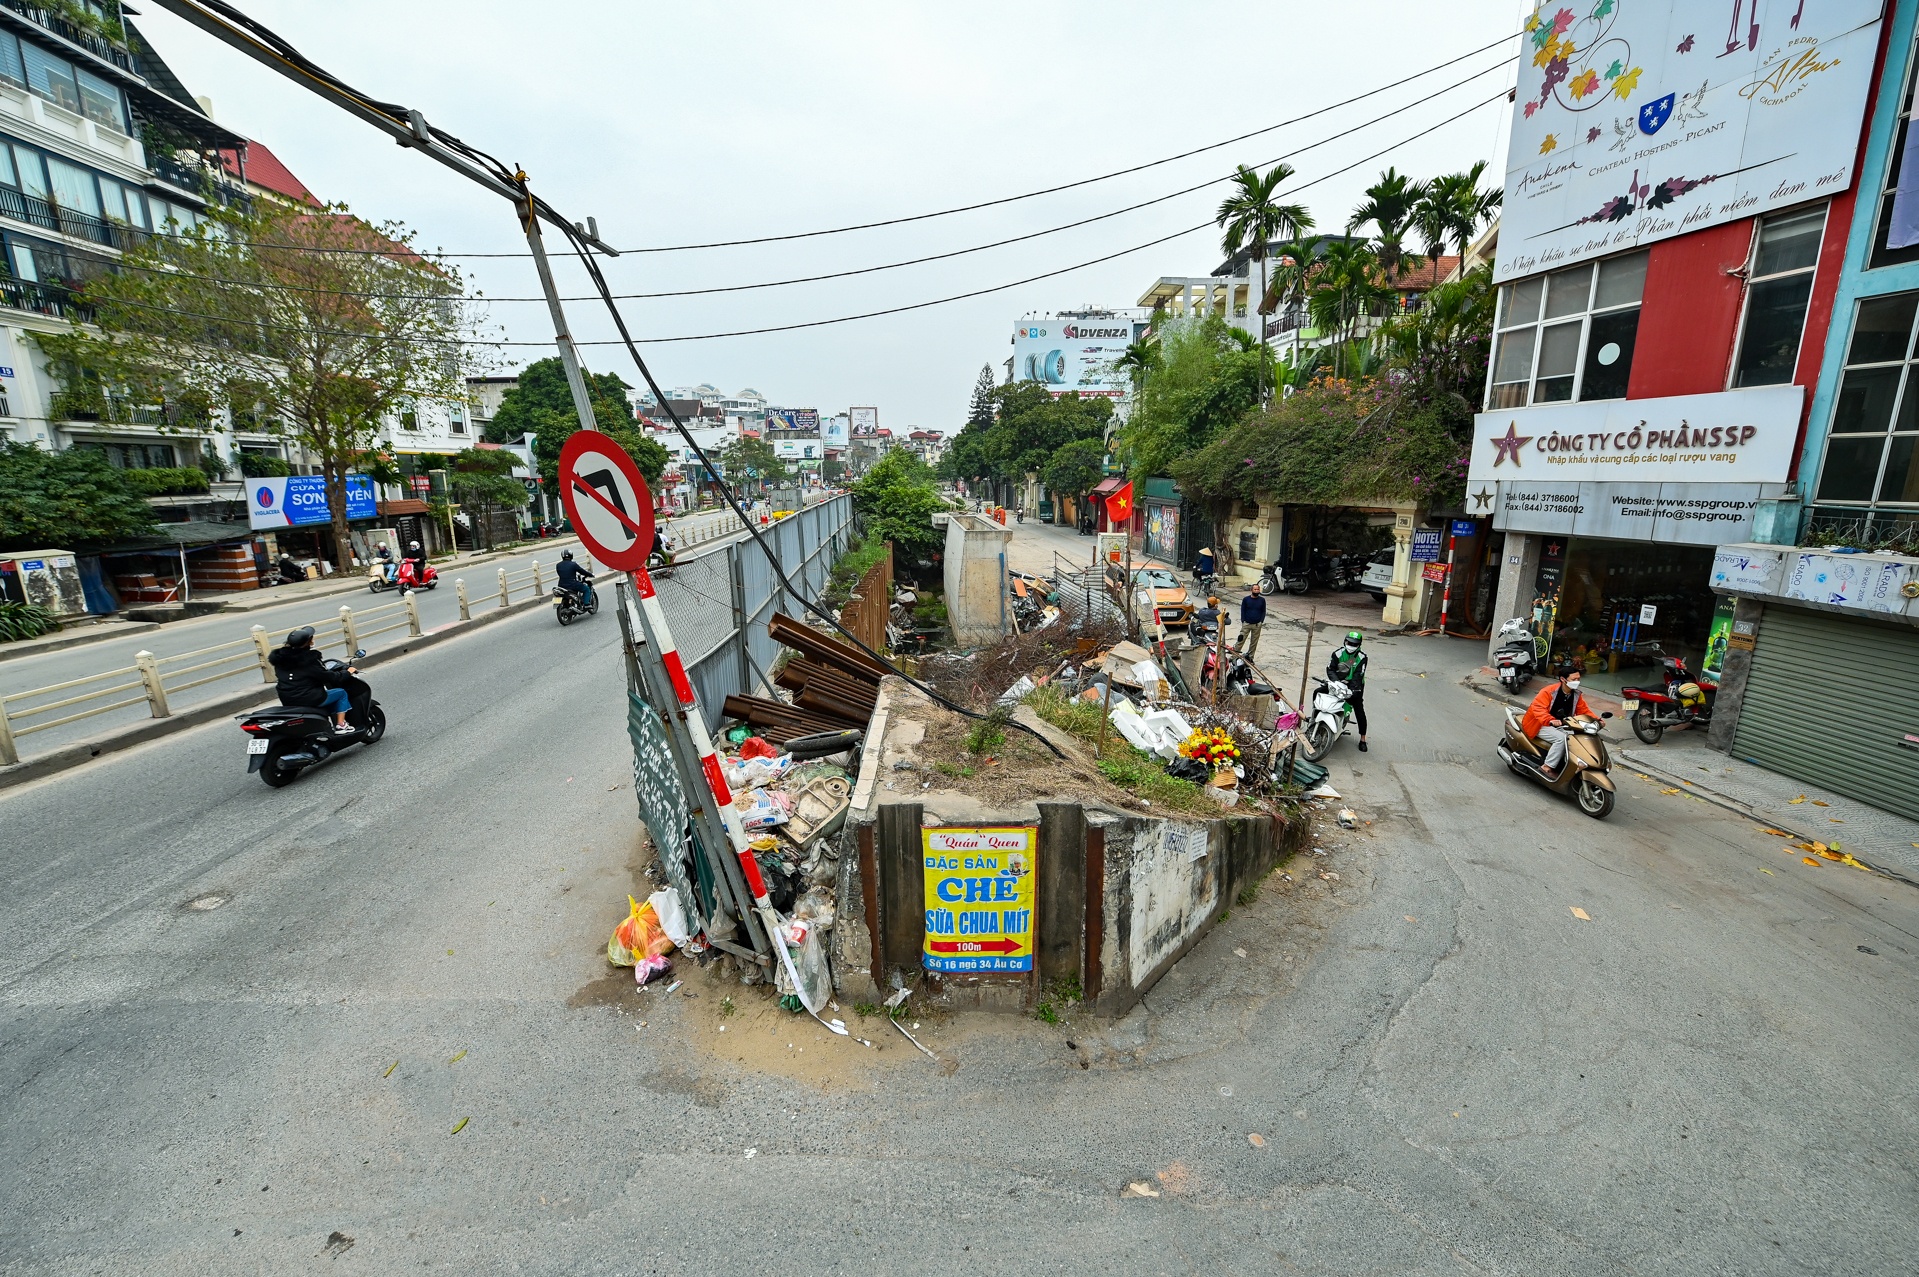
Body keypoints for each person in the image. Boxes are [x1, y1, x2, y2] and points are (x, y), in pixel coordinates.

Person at [269, 626, 356, 734]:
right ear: (308, 643)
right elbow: (330, 677)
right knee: (341, 693)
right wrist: (347, 672)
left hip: (287, 700)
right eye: (311, 639)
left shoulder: (280, 660)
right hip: (310, 698)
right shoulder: (309, 661)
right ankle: (341, 725)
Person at [1521, 671, 1595, 779]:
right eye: (1574, 679)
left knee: (1577, 738)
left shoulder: (1575, 694)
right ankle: (1547, 767)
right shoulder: (1548, 692)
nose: (1577, 682)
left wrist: (1596, 720)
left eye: (1578, 679)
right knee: (1562, 739)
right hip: (1540, 723)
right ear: (1563, 679)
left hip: (1561, 725)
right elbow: (1538, 708)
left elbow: (1584, 710)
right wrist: (1550, 719)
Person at [1328, 629, 1370, 752]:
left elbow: (1358, 675)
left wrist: (1352, 690)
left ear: (1359, 645)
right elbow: (1330, 669)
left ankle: (1363, 739)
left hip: (1354, 686)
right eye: (1349, 643)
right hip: (1338, 683)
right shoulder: (1337, 654)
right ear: (1345, 641)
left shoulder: (1362, 658)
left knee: (1359, 710)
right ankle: (1314, 720)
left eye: (1354, 644)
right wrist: (1336, 682)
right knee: (1318, 693)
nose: (1351, 646)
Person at [1234, 588, 1267, 662]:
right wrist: (1243, 621)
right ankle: (1234, 656)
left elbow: (1263, 611)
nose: (1256, 591)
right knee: (1241, 639)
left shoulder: (1262, 600)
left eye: (1258, 589)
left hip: (1257, 625)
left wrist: (1261, 621)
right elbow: (1243, 610)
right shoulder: (1246, 599)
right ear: (1251, 590)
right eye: (1255, 589)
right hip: (1247, 623)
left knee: (1254, 642)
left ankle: (1250, 657)